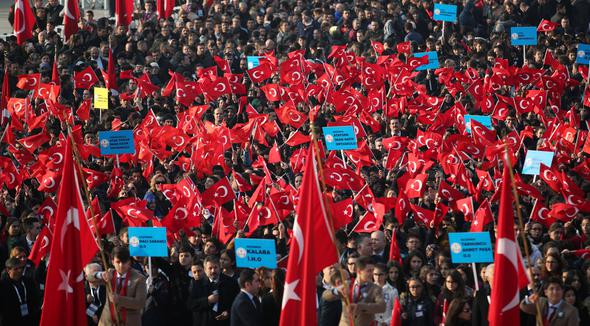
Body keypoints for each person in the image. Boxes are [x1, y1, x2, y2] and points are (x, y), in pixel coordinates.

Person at [91, 246, 147, 326]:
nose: (121, 265)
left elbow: (140, 303)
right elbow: (89, 277)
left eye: (124, 262)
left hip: (129, 322)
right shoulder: (109, 273)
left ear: (129, 262)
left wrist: (119, 299)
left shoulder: (139, 278)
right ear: (113, 262)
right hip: (107, 322)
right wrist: (100, 274)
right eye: (118, 262)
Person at [339, 256, 385, 326]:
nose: (372, 274)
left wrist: (360, 306)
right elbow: (327, 296)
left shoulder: (376, 289)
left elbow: (381, 307)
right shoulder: (346, 285)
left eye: (373, 270)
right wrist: (336, 291)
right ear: (359, 271)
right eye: (369, 271)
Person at [0, 257, 41, 326]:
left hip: (30, 320)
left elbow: (35, 299)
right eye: (16, 269)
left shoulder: (29, 282)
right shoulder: (3, 286)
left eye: (21, 268)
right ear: (8, 270)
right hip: (11, 321)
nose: (19, 271)